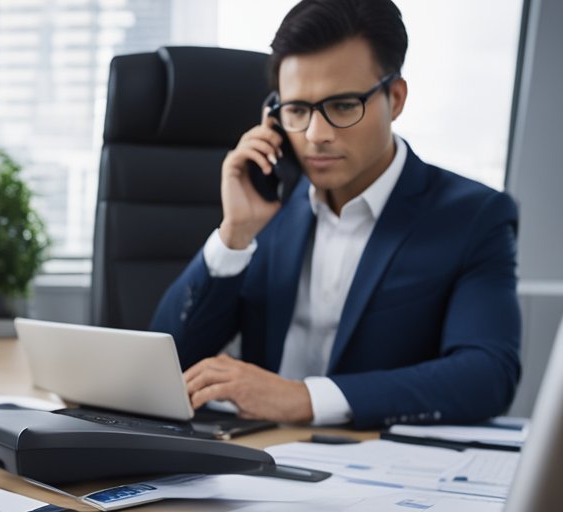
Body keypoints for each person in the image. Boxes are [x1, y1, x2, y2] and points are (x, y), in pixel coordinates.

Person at [149, 0, 520, 429]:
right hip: (252, 456)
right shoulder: (268, 205)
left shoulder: (474, 216)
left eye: (343, 106)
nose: (315, 136)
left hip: (380, 466)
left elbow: (487, 376)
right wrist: (235, 234)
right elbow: (166, 364)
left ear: (395, 98)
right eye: (297, 110)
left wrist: (303, 398)